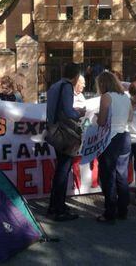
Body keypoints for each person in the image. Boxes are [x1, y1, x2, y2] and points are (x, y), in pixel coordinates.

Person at [46, 62, 85, 222]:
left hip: (55, 130)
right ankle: (59, 209)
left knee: (60, 171)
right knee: (63, 171)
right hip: (65, 133)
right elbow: (68, 111)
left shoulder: (54, 86)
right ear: (76, 76)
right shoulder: (67, 87)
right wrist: (79, 113)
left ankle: (54, 205)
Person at [95, 71, 132, 222]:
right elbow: (130, 118)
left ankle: (109, 212)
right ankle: (123, 210)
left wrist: (98, 117)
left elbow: (102, 121)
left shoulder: (106, 96)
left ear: (103, 83)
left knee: (108, 176)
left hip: (111, 139)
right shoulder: (125, 96)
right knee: (122, 176)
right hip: (125, 136)